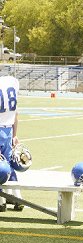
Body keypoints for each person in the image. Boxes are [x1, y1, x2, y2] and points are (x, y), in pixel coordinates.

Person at [0, 74, 22, 212]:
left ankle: (1, 202)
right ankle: (17, 197)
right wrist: (14, 135)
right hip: (8, 130)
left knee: (1, 168)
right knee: (8, 164)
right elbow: (16, 114)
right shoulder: (12, 82)